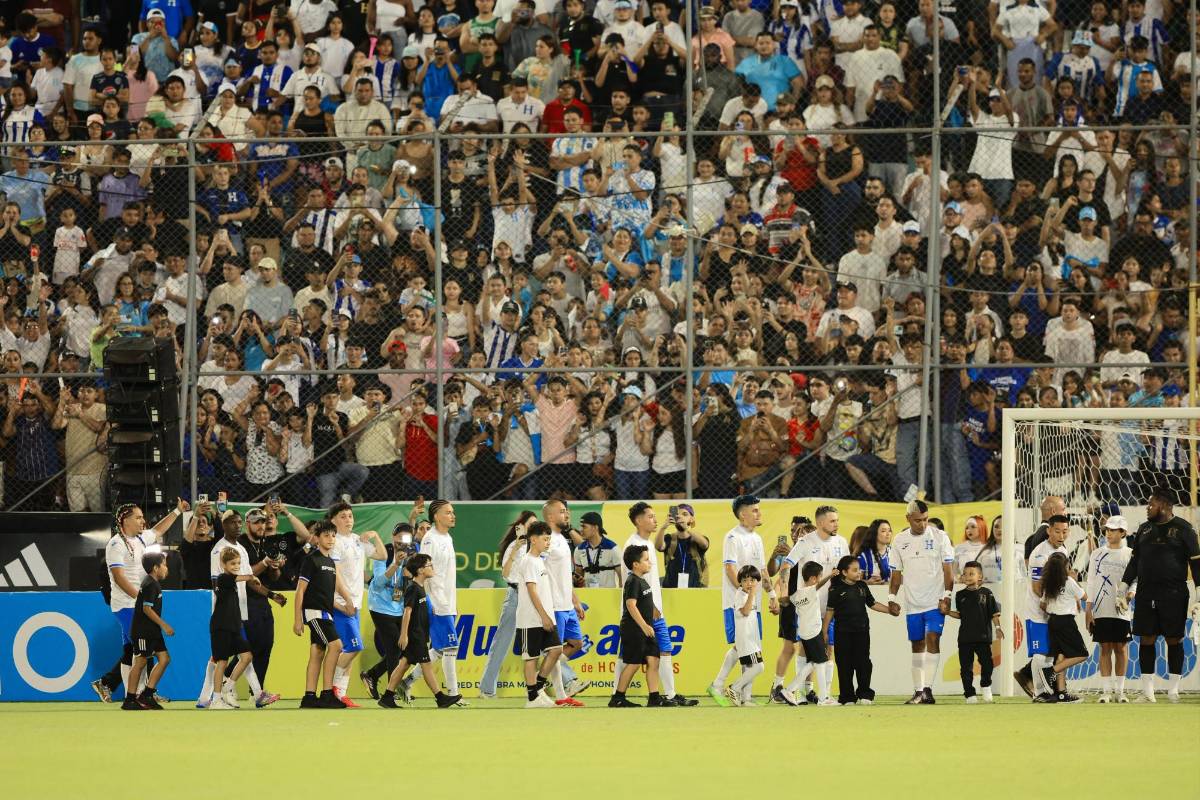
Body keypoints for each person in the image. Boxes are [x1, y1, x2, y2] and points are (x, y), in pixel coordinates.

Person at [92, 499, 187, 704]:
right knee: (142, 648)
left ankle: (129, 690)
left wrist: (178, 511)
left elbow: (158, 530)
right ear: (125, 521)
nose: (143, 521)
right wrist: (141, 598)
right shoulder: (116, 544)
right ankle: (138, 694)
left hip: (135, 603)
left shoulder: (140, 539)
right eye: (138, 517)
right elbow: (119, 578)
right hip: (126, 605)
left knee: (134, 649)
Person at [1118, 489, 1200, 703]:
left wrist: (1198, 597)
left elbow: (1196, 564)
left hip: (1174, 594)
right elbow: (1134, 562)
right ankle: (1148, 693)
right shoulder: (1144, 530)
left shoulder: (1184, 529)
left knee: (1174, 639)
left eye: (1151, 504)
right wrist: (1122, 589)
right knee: (1146, 639)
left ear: (1163, 506)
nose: (1147, 507)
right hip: (1146, 593)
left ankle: (1173, 691)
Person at [618, 502, 693, 705]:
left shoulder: (649, 544)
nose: (655, 519)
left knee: (662, 651)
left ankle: (668, 694)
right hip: (643, 613)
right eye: (650, 516)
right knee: (630, 658)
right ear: (639, 520)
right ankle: (619, 696)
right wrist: (650, 609)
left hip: (653, 610)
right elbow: (631, 584)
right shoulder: (632, 547)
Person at [708, 495, 777, 705]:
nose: (759, 513)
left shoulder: (757, 538)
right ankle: (721, 686)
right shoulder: (732, 537)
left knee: (749, 647)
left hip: (754, 602)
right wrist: (743, 593)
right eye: (754, 510)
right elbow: (730, 568)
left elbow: (763, 571)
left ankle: (743, 696)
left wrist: (772, 595)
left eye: (759, 509)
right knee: (742, 646)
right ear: (742, 514)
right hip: (736, 603)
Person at [887, 500, 954, 705]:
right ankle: (918, 691)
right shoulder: (899, 541)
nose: (923, 524)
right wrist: (891, 599)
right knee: (917, 645)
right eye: (917, 521)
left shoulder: (940, 537)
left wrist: (948, 595)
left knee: (933, 638)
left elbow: (948, 571)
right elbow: (896, 575)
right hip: (912, 603)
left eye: (925, 520)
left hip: (935, 601)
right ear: (908, 519)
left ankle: (928, 689)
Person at [378, 553, 463, 708]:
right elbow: (407, 611)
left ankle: (387, 697)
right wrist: (404, 635)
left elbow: (419, 609)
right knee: (426, 665)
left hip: (419, 634)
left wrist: (432, 612)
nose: (432, 567)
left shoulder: (420, 588)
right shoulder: (413, 588)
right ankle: (440, 698)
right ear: (420, 570)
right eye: (429, 565)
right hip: (415, 635)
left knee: (403, 665)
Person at [327, 502, 386, 707]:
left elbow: (382, 555)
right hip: (341, 603)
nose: (348, 519)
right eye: (343, 516)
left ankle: (340, 693)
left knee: (348, 650)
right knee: (354, 646)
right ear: (333, 520)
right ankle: (332, 688)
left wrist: (375, 536)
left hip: (356, 603)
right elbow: (334, 575)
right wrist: (346, 600)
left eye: (350, 516)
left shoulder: (357, 540)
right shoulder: (334, 543)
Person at [293, 520, 355, 710]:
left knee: (317, 652)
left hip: (326, 613)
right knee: (336, 646)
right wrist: (298, 619)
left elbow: (329, 591)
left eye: (333, 535)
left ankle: (309, 697)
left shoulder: (330, 562)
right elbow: (300, 590)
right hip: (314, 613)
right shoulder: (311, 559)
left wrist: (345, 605)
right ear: (317, 538)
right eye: (326, 535)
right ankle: (327, 693)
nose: (331, 539)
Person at [479, 511, 539, 699]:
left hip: (533, 595)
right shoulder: (515, 546)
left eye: (536, 524)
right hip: (515, 595)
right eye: (531, 524)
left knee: (546, 639)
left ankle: (568, 681)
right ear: (521, 526)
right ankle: (487, 689)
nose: (534, 527)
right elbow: (505, 574)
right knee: (502, 643)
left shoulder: (538, 547)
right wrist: (516, 548)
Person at [823, 555, 894, 705]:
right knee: (844, 664)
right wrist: (824, 632)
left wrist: (889, 610)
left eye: (859, 570)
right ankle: (847, 697)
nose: (858, 573)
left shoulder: (862, 586)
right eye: (854, 570)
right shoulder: (835, 589)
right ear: (844, 572)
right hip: (842, 632)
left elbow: (872, 604)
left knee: (863, 663)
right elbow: (830, 611)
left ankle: (865, 694)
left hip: (861, 631)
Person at [1016, 513, 1071, 700]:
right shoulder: (1040, 554)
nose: (1061, 536)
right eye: (1057, 531)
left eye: (1065, 531)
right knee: (1041, 653)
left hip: (1052, 611)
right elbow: (1037, 587)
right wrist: (1056, 603)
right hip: (1038, 612)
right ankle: (1040, 693)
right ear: (1048, 531)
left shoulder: (1063, 550)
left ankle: (1046, 691)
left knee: (1049, 654)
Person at [420, 500, 468, 705]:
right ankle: (454, 694)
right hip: (437, 602)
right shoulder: (430, 540)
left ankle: (405, 682)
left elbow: (446, 575)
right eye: (448, 512)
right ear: (436, 516)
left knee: (439, 650)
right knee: (451, 648)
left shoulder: (447, 537)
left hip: (447, 601)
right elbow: (427, 573)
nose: (452, 515)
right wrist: (437, 602)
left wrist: (452, 601)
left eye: (453, 512)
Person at [541, 499, 589, 705]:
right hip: (554, 605)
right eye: (562, 512)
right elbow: (538, 570)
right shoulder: (547, 540)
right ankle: (541, 687)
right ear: (550, 517)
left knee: (576, 644)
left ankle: (549, 680)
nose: (567, 515)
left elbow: (564, 576)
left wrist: (575, 601)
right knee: (555, 650)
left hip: (567, 605)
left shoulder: (562, 539)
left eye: (566, 511)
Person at [359, 523, 415, 701]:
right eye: (399, 539)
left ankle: (372, 675)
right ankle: (391, 693)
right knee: (393, 650)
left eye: (406, 539)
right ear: (393, 536)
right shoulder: (384, 552)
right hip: (380, 607)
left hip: (398, 607)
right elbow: (378, 583)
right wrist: (396, 564)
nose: (402, 544)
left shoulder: (411, 553)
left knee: (402, 651)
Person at [515, 521, 563, 708]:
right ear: (533, 540)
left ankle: (537, 688)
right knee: (531, 657)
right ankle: (532, 698)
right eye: (545, 538)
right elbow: (532, 591)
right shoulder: (527, 561)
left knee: (556, 649)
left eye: (549, 538)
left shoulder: (539, 561)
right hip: (530, 619)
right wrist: (543, 616)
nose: (548, 542)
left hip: (544, 616)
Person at [610, 544, 665, 707]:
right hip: (634, 630)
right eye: (646, 560)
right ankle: (618, 698)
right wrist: (644, 626)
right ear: (635, 564)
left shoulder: (642, 581)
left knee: (654, 660)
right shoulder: (632, 581)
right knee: (633, 663)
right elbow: (630, 605)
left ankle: (654, 697)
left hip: (646, 629)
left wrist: (653, 612)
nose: (650, 563)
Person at [1086, 515, 1133, 703]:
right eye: (1107, 529)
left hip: (1121, 610)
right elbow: (1090, 582)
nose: (1109, 533)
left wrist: (1129, 597)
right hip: (1100, 608)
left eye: (1113, 530)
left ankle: (1120, 691)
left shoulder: (1130, 554)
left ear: (1123, 532)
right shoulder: (1096, 554)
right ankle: (1106, 691)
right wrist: (1088, 609)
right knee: (1104, 647)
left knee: (1121, 648)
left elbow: (1136, 580)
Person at [208, 548, 257, 710]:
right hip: (220, 628)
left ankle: (227, 689)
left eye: (238, 563)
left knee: (247, 656)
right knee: (221, 662)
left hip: (233, 628)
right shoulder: (222, 579)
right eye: (232, 563)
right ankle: (216, 700)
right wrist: (251, 576)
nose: (236, 566)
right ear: (223, 564)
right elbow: (237, 578)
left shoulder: (232, 581)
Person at [123, 552, 173, 711]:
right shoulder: (150, 584)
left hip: (153, 631)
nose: (166, 568)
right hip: (143, 631)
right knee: (141, 662)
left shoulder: (153, 582)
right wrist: (164, 625)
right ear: (155, 568)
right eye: (164, 564)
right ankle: (129, 699)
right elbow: (146, 609)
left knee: (164, 658)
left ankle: (148, 694)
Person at [946, 561, 1001, 703]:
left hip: (983, 638)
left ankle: (986, 686)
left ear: (980, 576)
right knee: (966, 668)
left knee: (987, 664)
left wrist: (998, 628)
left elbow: (994, 614)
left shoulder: (987, 593)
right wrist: (947, 612)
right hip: (965, 638)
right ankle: (969, 694)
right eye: (965, 574)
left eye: (971, 574)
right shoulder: (959, 595)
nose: (968, 576)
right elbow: (959, 615)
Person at [1040, 552, 1087, 704]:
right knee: (1082, 654)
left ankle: (1061, 693)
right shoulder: (1069, 581)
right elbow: (1085, 596)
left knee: (1061, 655)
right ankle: (1050, 672)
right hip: (1066, 621)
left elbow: (1043, 604)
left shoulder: (1048, 583)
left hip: (1052, 621)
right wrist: (1074, 579)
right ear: (1065, 566)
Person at [723, 565, 767, 707]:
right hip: (745, 640)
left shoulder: (749, 595)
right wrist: (753, 594)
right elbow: (746, 611)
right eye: (745, 580)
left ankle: (745, 698)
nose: (749, 583)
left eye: (753, 580)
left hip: (751, 638)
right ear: (740, 582)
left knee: (749, 667)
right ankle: (735, 688)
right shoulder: (741, 595)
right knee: (759, 667)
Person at [575, 511, 621, 589]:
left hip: (608, 597)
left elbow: (622, 578)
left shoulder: (612, 548)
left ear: (595, 528)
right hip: (588, 598)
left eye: (584, 526)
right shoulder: (579, 549)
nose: (580, 530)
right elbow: (578, 580)